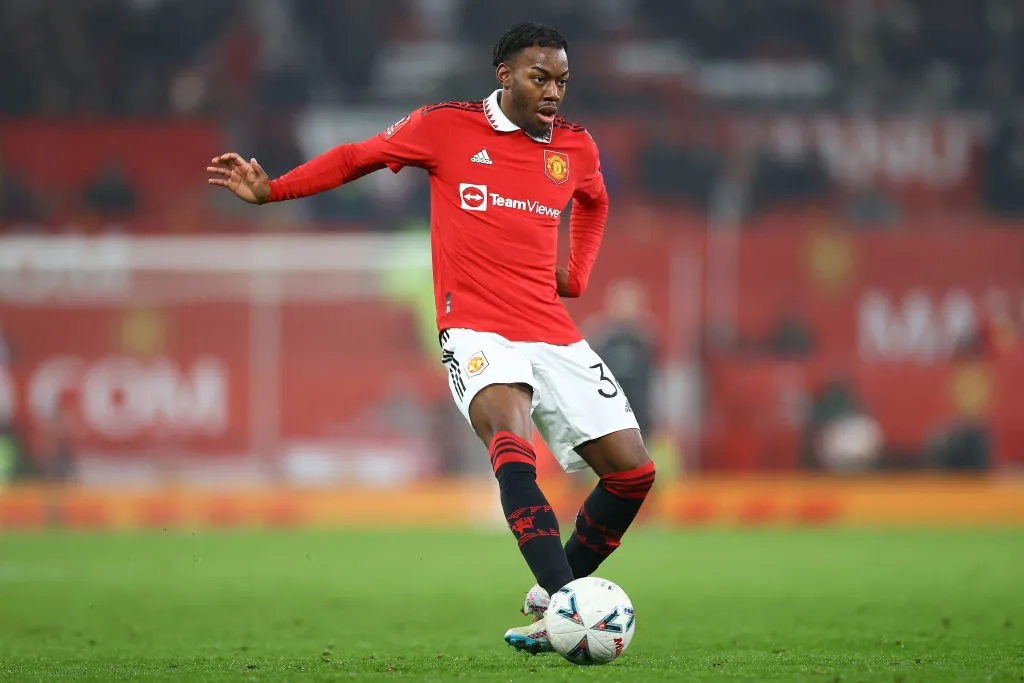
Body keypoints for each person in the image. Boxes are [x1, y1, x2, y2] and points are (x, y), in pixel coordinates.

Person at [207, 22, 655, 654]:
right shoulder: (445, 126)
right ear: (504, 76)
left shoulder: (576, 147)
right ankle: (563, 604)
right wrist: (274, 189)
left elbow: (595, 201)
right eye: (539, 77)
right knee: (511, 440)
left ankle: (551, 600)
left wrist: (575, 275)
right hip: (475, 325)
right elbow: (356, 157)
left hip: (550, 329)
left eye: (562, 80)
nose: (554, 92)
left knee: (633, 473)